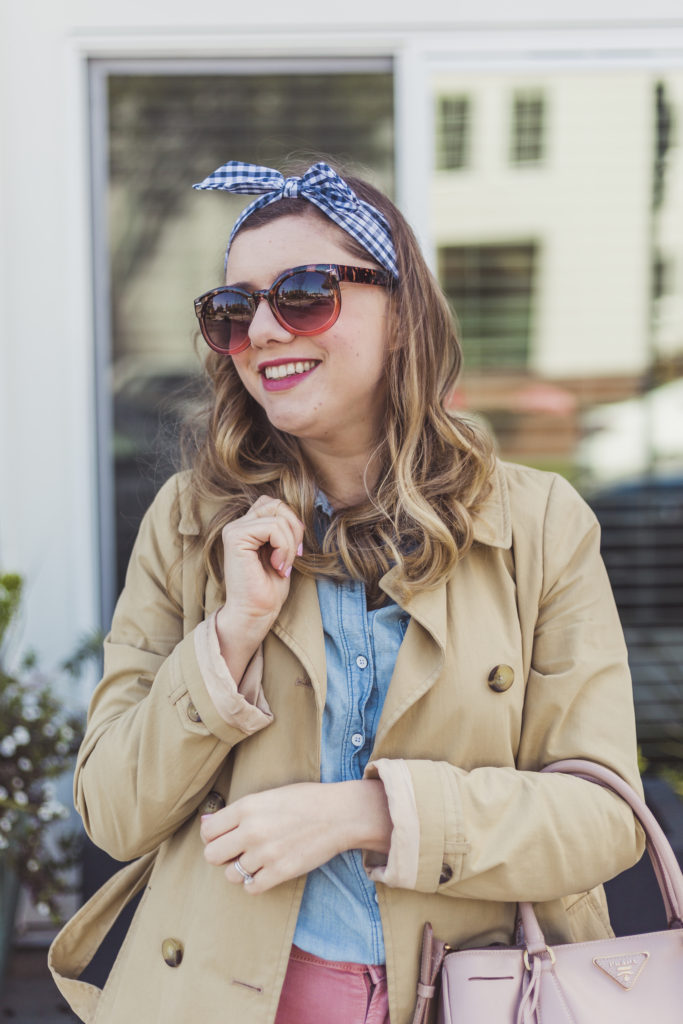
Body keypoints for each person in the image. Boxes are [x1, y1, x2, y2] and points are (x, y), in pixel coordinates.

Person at [49, 160, 644, 1024]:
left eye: (302, 293)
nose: (261, 330)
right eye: (231, 311)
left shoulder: (537, 522)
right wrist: (229, 637)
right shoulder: (189, 523)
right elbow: (111, 810)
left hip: (482, 993)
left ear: (401, 313)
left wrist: (370, 813)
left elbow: (601, 819)